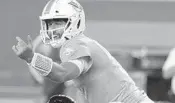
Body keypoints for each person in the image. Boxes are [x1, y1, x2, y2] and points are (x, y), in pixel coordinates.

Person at [12, 0, 154, 103]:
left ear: (75, 22)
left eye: (58, 22)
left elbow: (62, 73)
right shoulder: (81, 44)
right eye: (50, 23)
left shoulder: (76, 44)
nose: (52, 28)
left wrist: (32, 58)